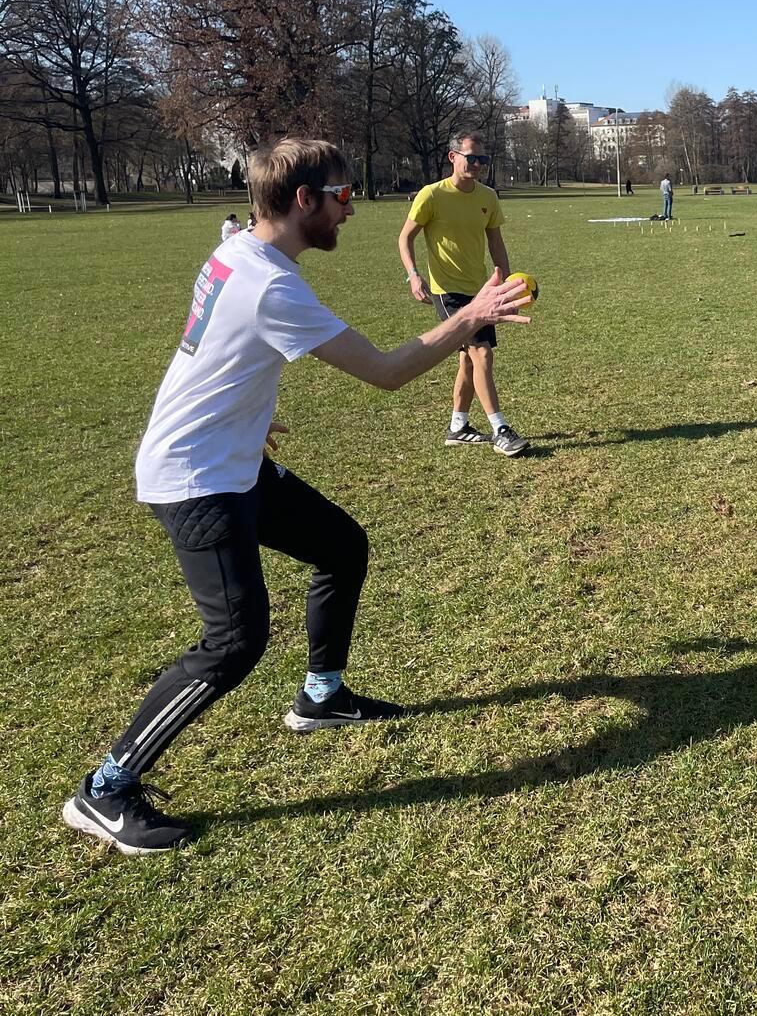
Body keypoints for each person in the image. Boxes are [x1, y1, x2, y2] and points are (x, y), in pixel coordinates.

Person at [61, 139, 532, 857]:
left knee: (341, 546)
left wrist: (244, 413)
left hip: (234, 457)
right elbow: (384, 370)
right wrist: (469, 317)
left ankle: (321, 695)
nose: (352, 211)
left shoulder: (240, 251)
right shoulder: (271, 285)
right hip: (197, 478)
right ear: (304, 200)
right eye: (343, 197)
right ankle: (104, 788)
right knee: (235, 642)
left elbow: (215, 350)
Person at [397, 132, 529, 456]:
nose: (478, 165)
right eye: (471, 157)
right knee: (482, 353)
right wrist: (414, 276)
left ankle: (458, 426)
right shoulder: (431, 196)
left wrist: (506, 283)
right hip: (447, 292)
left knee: (469, 363)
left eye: (482, 159)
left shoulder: (488, 197)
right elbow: (405, 239)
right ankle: (500, 428)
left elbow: (496, 243)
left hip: (480, 291)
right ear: (452, 156)